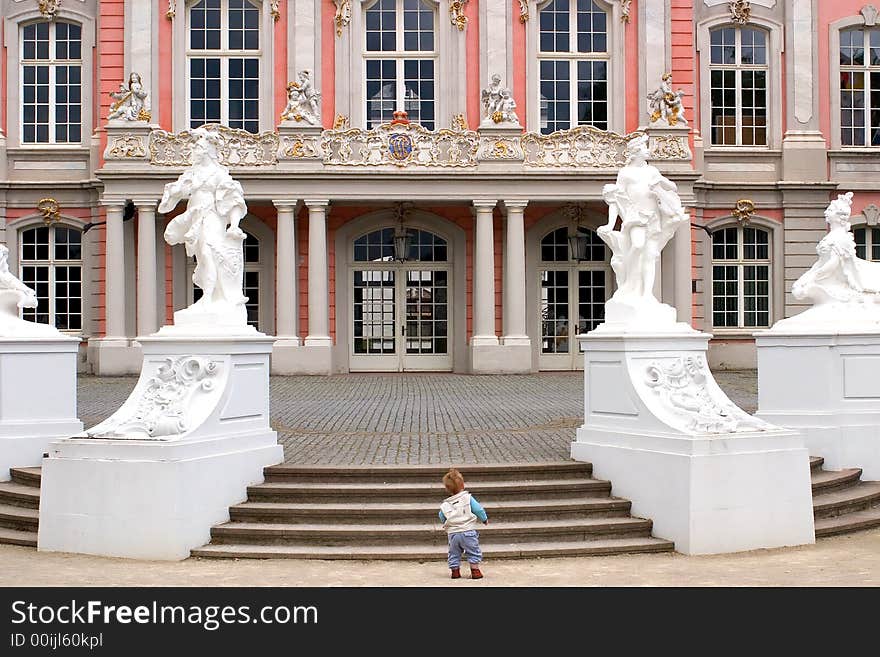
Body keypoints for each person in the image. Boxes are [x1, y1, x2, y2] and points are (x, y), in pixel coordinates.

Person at [439, 468, 488, 580]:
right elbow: (478, 510)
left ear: (447, 489)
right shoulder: (468, 498)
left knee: (454, 553)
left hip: (453, 534)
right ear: (463, 485)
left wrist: (446, 523)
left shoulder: (446, 504)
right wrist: (484, 519)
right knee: (473, 551)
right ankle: (475, 571)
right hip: (468, 532)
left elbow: (441, 516)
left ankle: (455, 572)